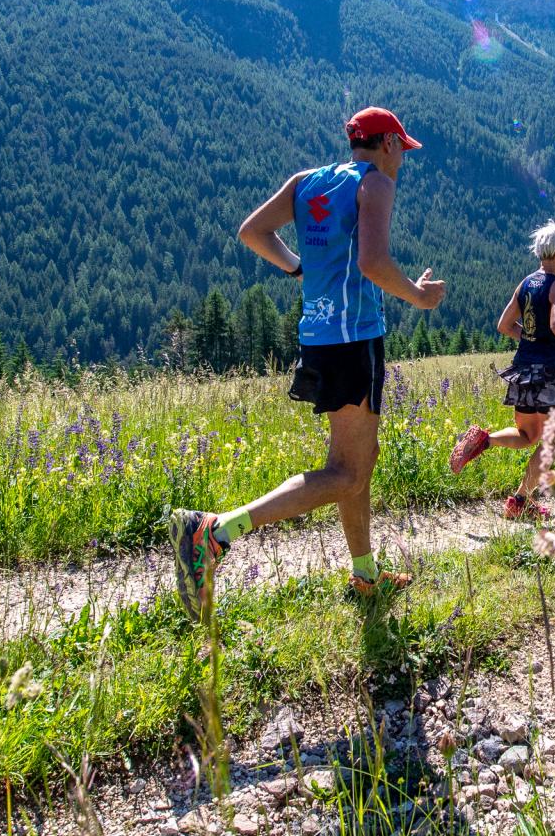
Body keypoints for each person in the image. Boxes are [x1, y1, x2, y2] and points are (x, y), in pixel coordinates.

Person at [167, 107, 445, 617]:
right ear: (385, 145)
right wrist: (421, 298)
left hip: (318, 335)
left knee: (363, 458)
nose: (403, 157)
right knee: (346, 472)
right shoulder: (376, 185)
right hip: (354, 338)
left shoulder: (307, 181)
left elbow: (253, 231)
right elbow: (373, 263)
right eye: (402, 147)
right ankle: (215, 531)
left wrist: (298, 269)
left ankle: (365, 575)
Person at [449, 220, 555, 519]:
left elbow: (504, 326)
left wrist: (531, 337)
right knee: (552, 442)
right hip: (548, 373)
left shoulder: (526, 283)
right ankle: (520, 502)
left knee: (528, 435)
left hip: (522, 370)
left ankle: (484, 440)